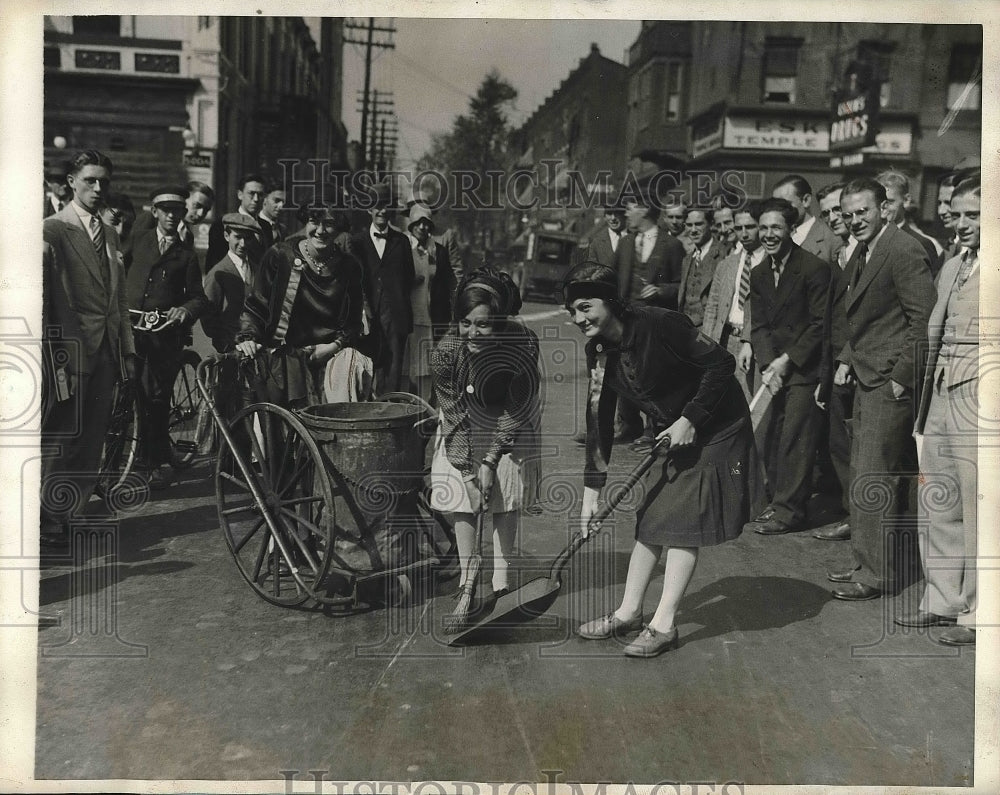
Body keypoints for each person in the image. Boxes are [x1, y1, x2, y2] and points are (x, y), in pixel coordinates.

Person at [567, 262, 764, 656]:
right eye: (571, 311)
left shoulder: (661, 324)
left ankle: (664, 625)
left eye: (585, 307)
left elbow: (721, 363)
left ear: (610, 301)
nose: (578, 318)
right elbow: (599, 419)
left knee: (683, 521)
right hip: (671, 431)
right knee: (654, 514)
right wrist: (591, 495)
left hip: (717, 423)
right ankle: (628, 613)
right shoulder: (599, 351)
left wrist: (690, 419)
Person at [828, 177, 935, 601]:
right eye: (848, 214)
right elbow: (867, 319)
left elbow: (923, 323)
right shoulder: (865, 249)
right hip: (867, 376)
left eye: (863, 212)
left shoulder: (903, 249)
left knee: (876, 476)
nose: (855, 220)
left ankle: (876, 575)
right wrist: (847, 359)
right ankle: (866, 563)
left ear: (884, 208)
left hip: (889, 383)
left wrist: (899, 379)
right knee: (865, 473)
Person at [430, 268, 541, 626]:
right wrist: (467, 474)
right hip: (463, 418)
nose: (472, 333)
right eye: (465, 323)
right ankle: (468, 580)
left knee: (505, 491)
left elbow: (516, 407)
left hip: (507, 416)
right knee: (463, 499)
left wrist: (491, 460)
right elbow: (453, 415)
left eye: (483, 325)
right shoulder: (446, 352)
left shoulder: (522, 345)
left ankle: (501, 584)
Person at [40, 150, 136, 547]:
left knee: (93, 436)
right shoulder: (53, 229)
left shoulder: (109, 232)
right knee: (61, 435)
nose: (98, 189)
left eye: (104, 182)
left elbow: (118, 299)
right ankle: (48, 518)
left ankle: (72, 512)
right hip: (69, 351)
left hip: (106, 351)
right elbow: (47, 301)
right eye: (90, 180)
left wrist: (127, 351)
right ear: (71, 182)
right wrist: (55, 355)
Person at [901, 177, 980, 646]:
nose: (963, 223)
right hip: (941, 393)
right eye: (959, 213)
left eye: (975, 215)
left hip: (983, 402)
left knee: (982, 506)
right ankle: (943, 598)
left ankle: (980, 611)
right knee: (940, 498)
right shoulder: (953, 265)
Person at [743, 198, 830, 535]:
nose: (768, 235)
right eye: (763, 228)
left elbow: (819, 325)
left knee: (796, 439)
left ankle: (790, 512)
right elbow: (760, 326)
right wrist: (768, 364)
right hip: (774, 370)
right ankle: (778, 502)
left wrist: (786, 360)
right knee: (773, 436)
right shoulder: (759, 273)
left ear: (791, 229)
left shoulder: (813, 268)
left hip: (805, 369)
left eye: (776, 228)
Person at [235, 205, 366, 408]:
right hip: (284, 359)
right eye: (314, 222)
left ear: (339, 227)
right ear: (305, 222)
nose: (320, 231)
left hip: (330, 356)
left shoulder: (349, 266)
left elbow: (353, 321)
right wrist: (248, 337)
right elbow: (257, 304)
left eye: (329, 224)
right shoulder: (281, 255)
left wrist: (334, 346)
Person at [125, 185, 210, 489]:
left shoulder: (186, 255)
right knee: (126, 389)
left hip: (164, 335)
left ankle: (155, 462)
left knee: (156, 397)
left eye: (177, 211)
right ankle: (126, 454)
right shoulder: (138, 240)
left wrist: (184, 310)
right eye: (166, 211)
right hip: (132, 328)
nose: (171, 216)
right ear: (155, 212)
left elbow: (198, 297)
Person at [813, 181, 857, 541]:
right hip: (836, 364)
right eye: (826, 212)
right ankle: (851, 514)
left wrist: (847, 360)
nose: (833, 217)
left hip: (856, 364)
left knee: (855, 446)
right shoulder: (838, 254)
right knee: (839, 443)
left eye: (837, 210)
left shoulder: (866, 253)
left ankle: (858, 518)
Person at [350, 187, 416, 394]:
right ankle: (367, 406)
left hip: (395, 314)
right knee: (367, 364)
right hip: (367, 315)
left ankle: (390, 405)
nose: (382, 211)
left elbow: (409, 277)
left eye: (387, 206)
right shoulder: (357, 242)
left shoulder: (401, 241)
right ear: (369, 209)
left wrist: (396, 301)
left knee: (394, 366)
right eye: (377, 206)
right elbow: (353, 280)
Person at [702, 202, 765, 401]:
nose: (744, 234)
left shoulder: (771, 263)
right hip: (726, 340)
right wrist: (706, 346)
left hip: (755, 344)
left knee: (751, 402)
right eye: (739, 228)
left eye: (750, 227)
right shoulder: (726, 264)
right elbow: (712, 308)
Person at [405, 202, 455, 403]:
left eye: (426, 223)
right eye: (418, 222)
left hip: (430, 318)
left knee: (426, 367)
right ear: (411, 224)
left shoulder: (438, 251)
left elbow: (447, 282)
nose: (422, 227)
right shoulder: (401, 247)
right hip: (407, 317)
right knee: (406, 368)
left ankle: (425, 406)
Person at [202, 213, 263, 354]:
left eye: (248, 238)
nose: (243, 244)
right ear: (226, 236)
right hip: (230, 349)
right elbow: (208, 321)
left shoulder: (257, 269)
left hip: (257, 345)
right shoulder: (218, 273)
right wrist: (232, 342)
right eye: (238, 237)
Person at [876, 170, 942, 276]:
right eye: (878, 202)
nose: (883, 208)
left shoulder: (921, 244)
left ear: (906, 200)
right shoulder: (867, 239)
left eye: (889, 202)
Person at [772, 174, 840, 266]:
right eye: (776, 205)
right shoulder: (774, 236)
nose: (779, 210)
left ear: (806, 200)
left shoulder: (832, 239)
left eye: (785, 204)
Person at [677, 206, 727, 330]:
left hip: (709, 328)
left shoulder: (723, 255)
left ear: (710, 224)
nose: (693, 230)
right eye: (689, 225)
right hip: (685, 326)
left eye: (699, 224)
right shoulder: (687, 259)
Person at [206, 173, 266, 268]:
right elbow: (213, 263)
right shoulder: (221, 224)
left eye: (260, 194)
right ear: (240, 195)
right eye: (251, 193)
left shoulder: (266, 226)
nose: (256, 199)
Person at [257, 186, 286, 252]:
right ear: (264, 199)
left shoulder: (283, 229)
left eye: (283, 202)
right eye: (277, 200)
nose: (281, 206)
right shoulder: (254, 224)